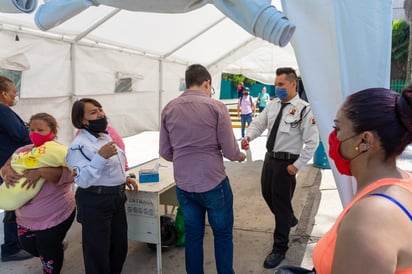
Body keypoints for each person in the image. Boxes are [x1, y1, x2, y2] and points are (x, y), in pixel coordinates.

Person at [312, 86, 412, 274]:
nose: (334, 137)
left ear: (364, 140)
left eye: (338, 128)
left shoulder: (372, 217)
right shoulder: (405, 181)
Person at [159, 64, 246, 274]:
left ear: (188, 82)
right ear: (207, 83)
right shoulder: (216, 107)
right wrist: (240, 155)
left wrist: (185, 159)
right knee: (223, 234)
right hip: (213, 182)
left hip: (184, 184)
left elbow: (165, 150)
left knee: (193, 235)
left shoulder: (169, 108)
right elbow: (230, 150)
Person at [241, 67, 319, 269]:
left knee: (281, 205)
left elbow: (312, 142)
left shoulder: (304, 110)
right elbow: (258, 123)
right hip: (269, 160)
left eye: (281, 84)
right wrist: (248, 136)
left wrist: (297, 165)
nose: (277, 88)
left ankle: (280, 248)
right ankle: (289, 218)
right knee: (268, 195)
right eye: (276, 84)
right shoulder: (273, 105)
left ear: (293, 84)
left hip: (287, 164)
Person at [66, 98, 138, 274]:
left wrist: (123, 178)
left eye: (100, 109)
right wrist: (100, 157)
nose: (100, 114)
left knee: (119, 248)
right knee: (97, 253)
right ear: (83, 120)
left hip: (116, 198)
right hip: (95, 201)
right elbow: (82, 180)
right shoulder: (78, 146)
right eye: (93, 112)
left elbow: (112, 165)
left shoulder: (104, 136)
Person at [0, 112, 76, 274]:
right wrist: (6, 172)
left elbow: (71, 174)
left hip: (55, 215)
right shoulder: (24, 150)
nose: (34, 134)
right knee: (28, 245)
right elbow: (5, 167)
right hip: (25, 217)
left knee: (48, 250)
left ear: (53, 132)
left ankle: (51, 259)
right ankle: (53, 248)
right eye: (31, 130)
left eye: (40, 130)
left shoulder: (59, 152)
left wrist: (41, 171)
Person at [0, 75, 33, 262]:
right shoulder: (3, 111)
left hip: (4, 164)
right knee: (15, 205)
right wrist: (31, 131)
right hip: (9, 166)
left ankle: (20, 242)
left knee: (13, 204)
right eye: (13, 93)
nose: (15, 96)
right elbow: (21, 135)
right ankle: (12, 247)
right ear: (4, 94)